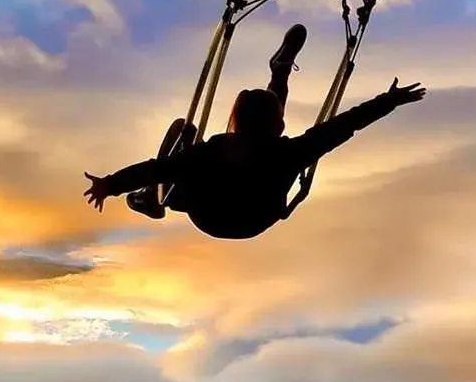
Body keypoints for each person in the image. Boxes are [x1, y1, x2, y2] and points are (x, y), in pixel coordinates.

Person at [83, 24, 427, 239]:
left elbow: (156, 169)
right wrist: (389, 101)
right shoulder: (289, 153)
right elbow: (345, 124)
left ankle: (147, 197)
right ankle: (279, 73)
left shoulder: (209, 153)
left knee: (185, 139)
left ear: (236, 120)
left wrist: (110, 184)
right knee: (195, 151)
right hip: (252, 220)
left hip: (210, 216)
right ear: (278, 125)